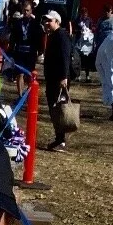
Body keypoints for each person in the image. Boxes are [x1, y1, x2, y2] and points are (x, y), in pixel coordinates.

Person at [41, 10, 73, 151]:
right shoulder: (53, 35)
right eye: (45, 21)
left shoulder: (62, 36)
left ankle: (61, 139)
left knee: (59, 109)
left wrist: (64, 77)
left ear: (57, 22)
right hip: (52, 78)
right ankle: (59, 137)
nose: (47, 23)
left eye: (50, 21)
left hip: (59, 79)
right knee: (54, 109)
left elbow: (65, 57)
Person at [7, 0, 42, 92]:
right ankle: (20, 95)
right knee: (20, 74)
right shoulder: (17, 23)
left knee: (30, 74)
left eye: (27, 10)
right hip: (19, 52)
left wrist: (40, 51)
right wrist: (10, 51)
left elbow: (39, 38)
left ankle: (29, 93)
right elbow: (13, 38)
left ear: (31, 11)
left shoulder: (36, 23)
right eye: (24, 10)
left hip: (31, 53)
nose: (25, 12)